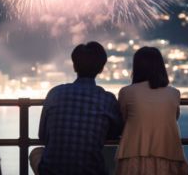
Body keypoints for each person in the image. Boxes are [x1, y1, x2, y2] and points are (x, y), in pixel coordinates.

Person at [30, 41, 123, 175]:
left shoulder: (55, 93)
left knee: (36, 152)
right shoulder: (107, 99)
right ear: (101, 69)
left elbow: (43, 136)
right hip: (92, 171)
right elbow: (115, 133)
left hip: (52, 171)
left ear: (74, 66)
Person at [116, 46, 188, 175]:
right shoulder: (174, 93)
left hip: (133, 153)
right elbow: (174, 118)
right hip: (168, 152)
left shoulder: (126, 92)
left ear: (136, 68)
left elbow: (123, 119)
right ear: (161, 67)